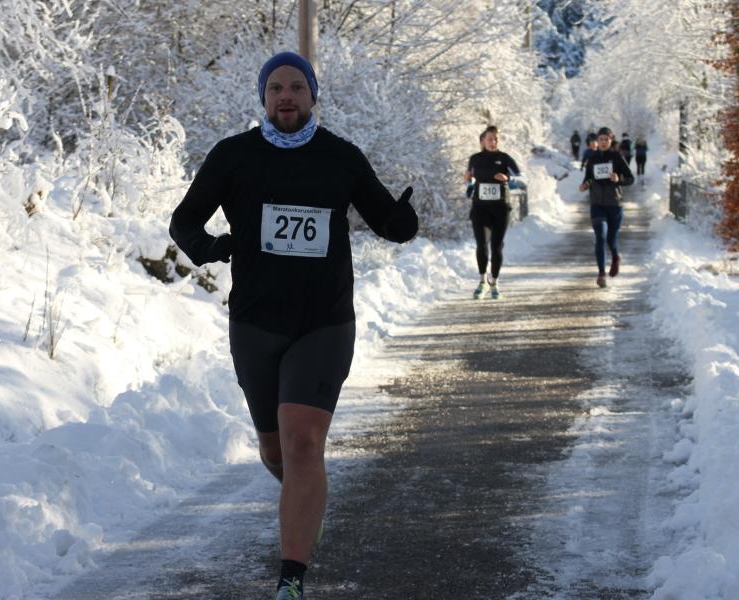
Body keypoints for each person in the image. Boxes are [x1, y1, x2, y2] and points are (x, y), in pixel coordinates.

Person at [169, 51, 418, 600]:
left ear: (312, 97)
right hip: (256, 323)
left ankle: (291, 580)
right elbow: (184, 220)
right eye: (276, 87)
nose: (286, 96)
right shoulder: (234, 155)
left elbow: (384, 217)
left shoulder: (340, 157)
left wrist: (402, 222)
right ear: (263, 97)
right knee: (276, 452)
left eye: (297, 87)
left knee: (303, 444)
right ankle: (306, 506)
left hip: (324, 322)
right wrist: (209, 247)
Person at [465, 125, 521, 299]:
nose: (493, 142)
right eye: (490, 138)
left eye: (496, 139)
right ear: (482, 140)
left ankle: (494, 283)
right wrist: (468, 181)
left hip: (500, 208)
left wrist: (508, 178)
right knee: (481, 244)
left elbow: (522, 179)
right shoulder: (475, 159)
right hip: (480, 207)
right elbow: (470, 182)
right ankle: (482, 281)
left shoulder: (504, 158)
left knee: (496, 246)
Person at [579, 127, 634, 288]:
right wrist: (584, 185)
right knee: (600, 237)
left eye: (606, 139)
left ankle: (616, 257)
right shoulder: (593, 158)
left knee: (611, 239)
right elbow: (589, 178)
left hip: (614, 204)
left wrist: (618, 179)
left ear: (611, 140)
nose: (603, 142)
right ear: (597, 141)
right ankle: (601, 274)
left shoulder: (617, 157)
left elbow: (630, 179)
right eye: (601, 139)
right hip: (597, 204)